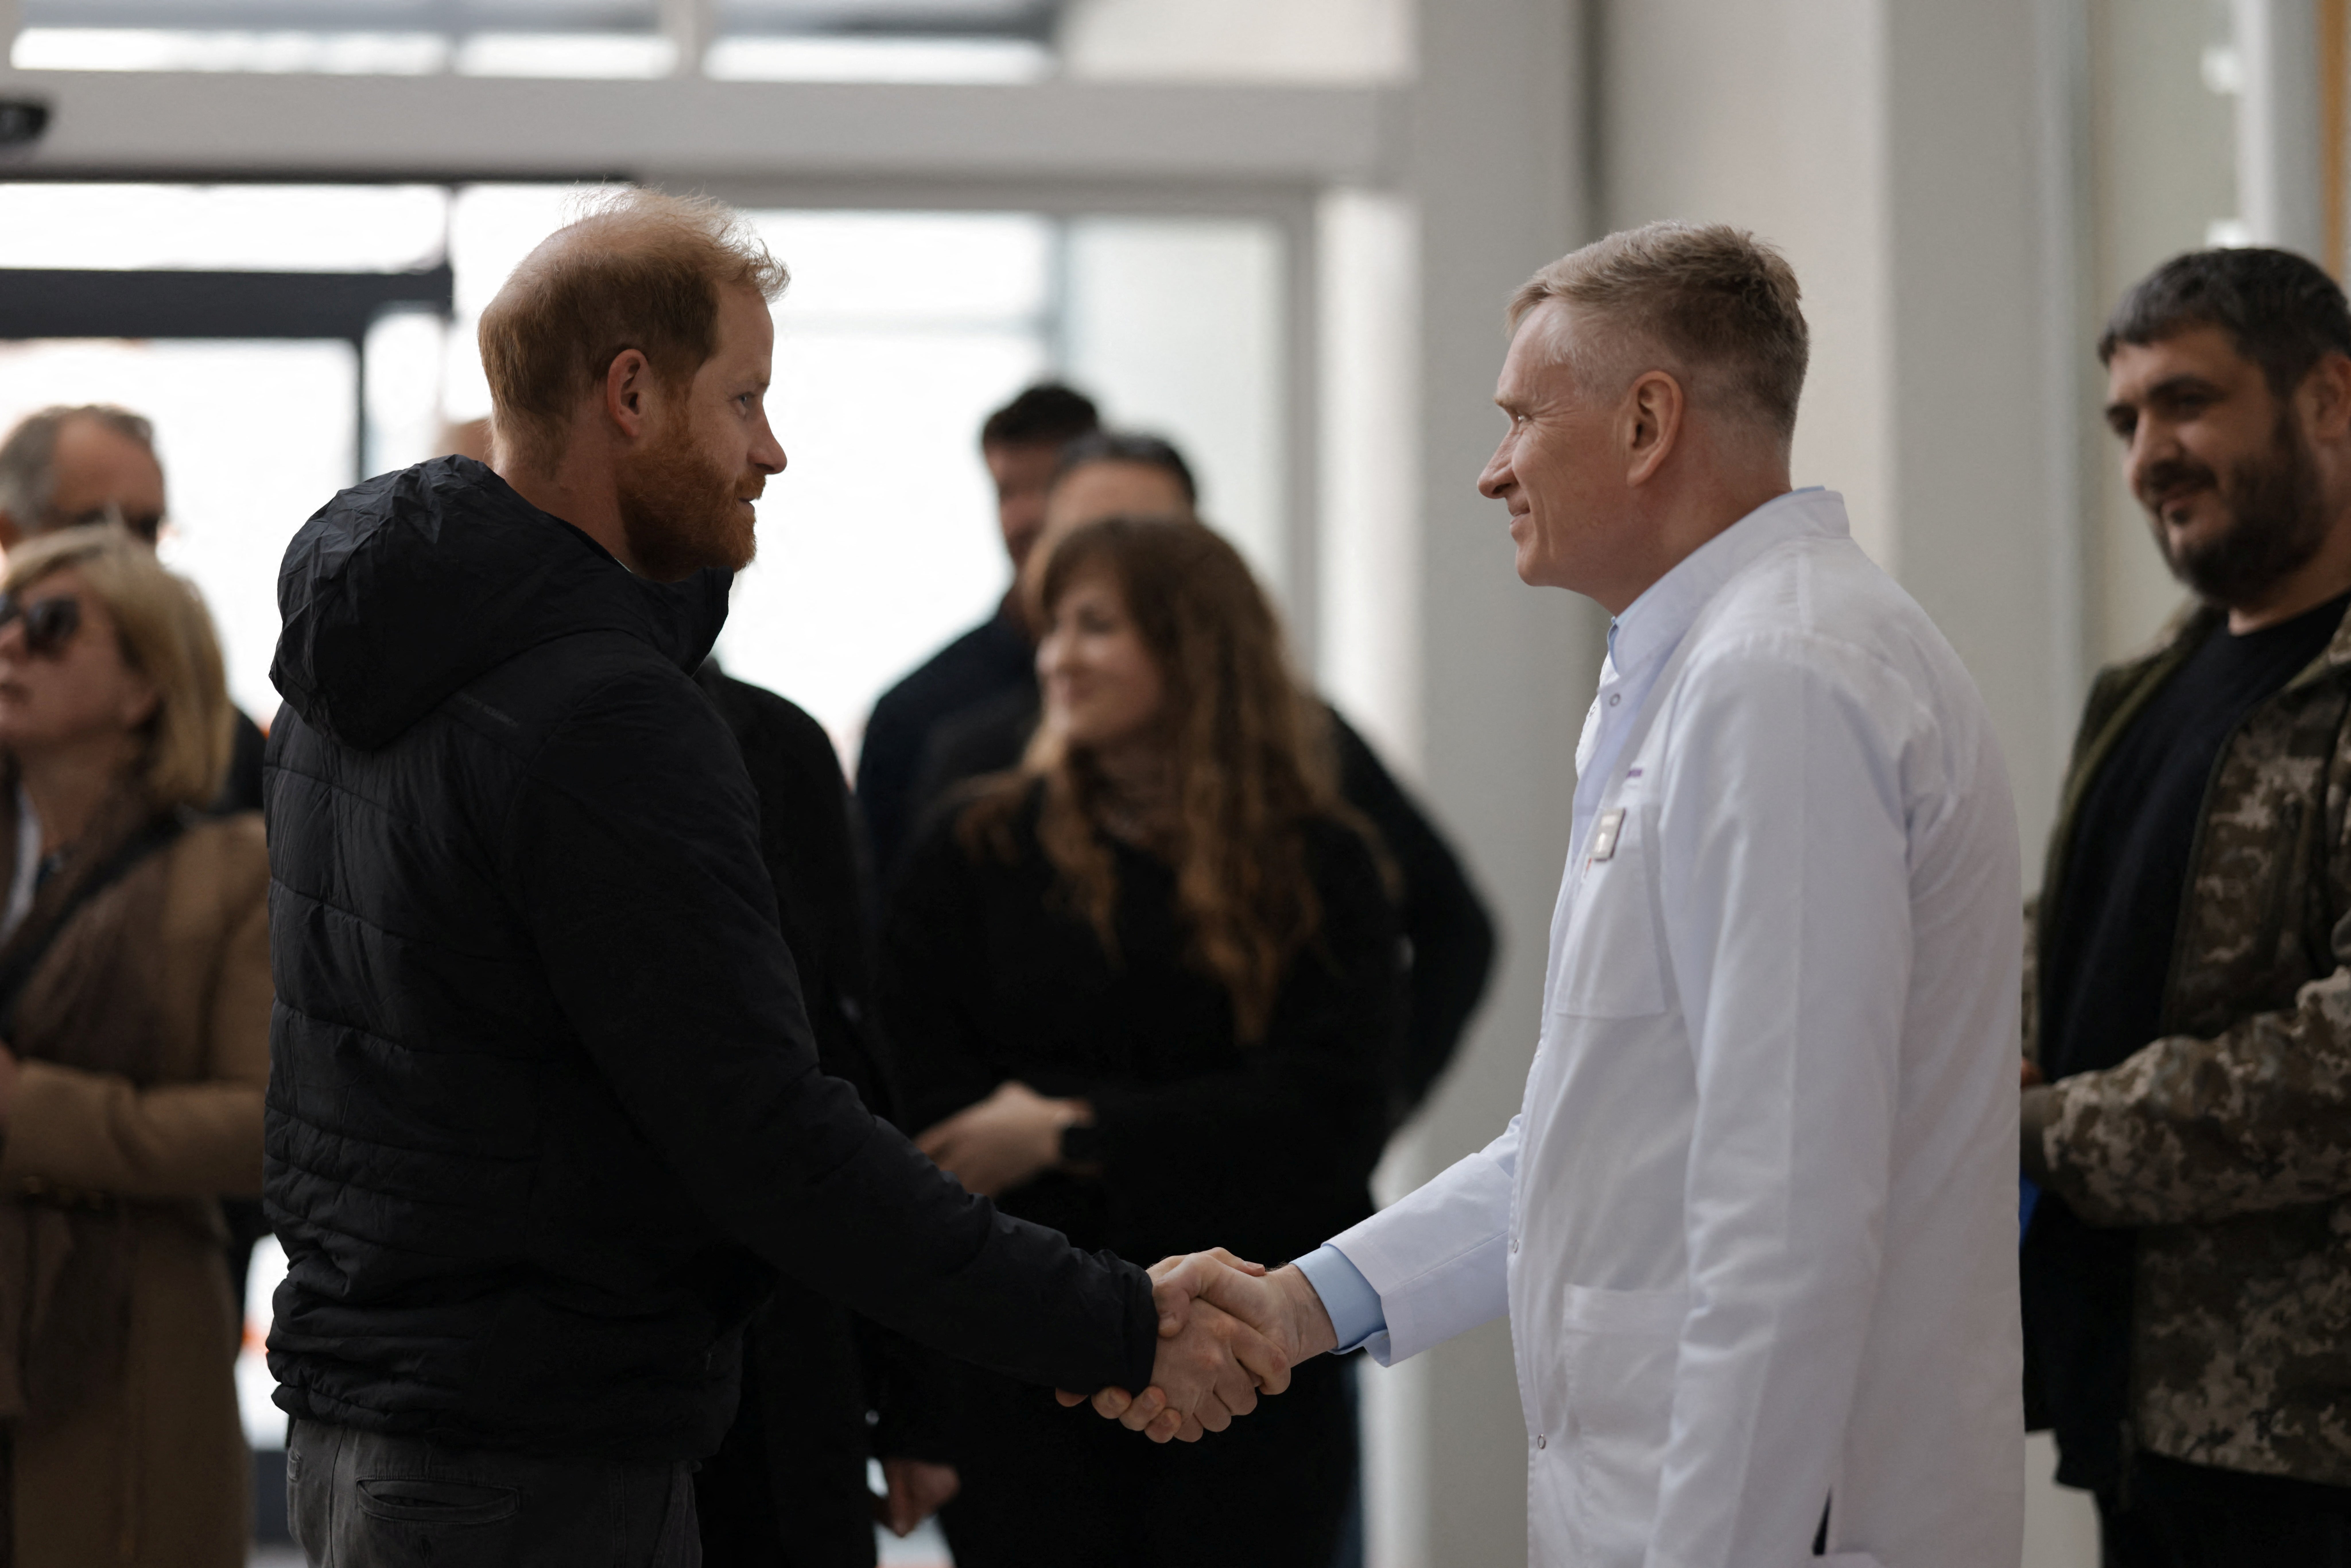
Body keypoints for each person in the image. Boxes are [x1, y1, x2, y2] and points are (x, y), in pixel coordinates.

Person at [262, 188, 1283, 1568]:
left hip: (381, 1424)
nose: (773, 449)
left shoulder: (354, 669)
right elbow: (768, 1130)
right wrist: (1113, 1319)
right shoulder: (607, 714)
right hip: (536, 1456)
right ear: (631, 394)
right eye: (742, 400)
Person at [1128, 222, 2026, 1568]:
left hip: (1772, 1522)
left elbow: (1785, 1213)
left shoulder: (1781, 679)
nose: (1494, 469)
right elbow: (1596, 1131)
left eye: (1520, 418)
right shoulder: (1702, 668)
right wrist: (1309, 1302)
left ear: (1647, 422)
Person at [886, 513, 1401, 1568]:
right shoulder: (974, 850)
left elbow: (1326, 1117)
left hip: (1252, 1368)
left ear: (1192, 644)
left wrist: (1070, 1129)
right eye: (1053, 628)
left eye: (1096, 626)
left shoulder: (1321, 864)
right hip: (1028, 1369)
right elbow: (931, 1136)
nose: (1056, 657)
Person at [2012, 247, 2351, 1562]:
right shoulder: (2148, 686)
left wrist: (2047, 1130)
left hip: (2309, 1446)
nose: (2150, 452)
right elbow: (2064, 956)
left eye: (2189, 403)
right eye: (2128, 419)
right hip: (2138, 1414)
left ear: (2327, 400)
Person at [913, 430, 1495, 1124]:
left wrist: (1373, 1105)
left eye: (1149, 535)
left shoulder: (1314, 783)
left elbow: (1441, 939)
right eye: (1087, 537)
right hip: (1032, 1226)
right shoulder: (973, 785)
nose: (1118, 554)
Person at [0, 524, 268, 1567]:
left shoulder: (230, 871)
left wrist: (32, 1112)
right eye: (7, 619)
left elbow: (264, 1124)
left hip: (128, 1360)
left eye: (54, 626)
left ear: (147, 686)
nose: (13, 645)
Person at [688, 654, 958, 1564]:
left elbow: (851, 1076)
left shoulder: (779, 747)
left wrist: (908, 1388)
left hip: (783, 1348)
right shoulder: (476, 720)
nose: (751, 499)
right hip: (555, 1373)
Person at [856, 383, 1100, 879]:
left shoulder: (1181, 696)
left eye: (1052, 487)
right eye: (1008, 491)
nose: (1026, 517)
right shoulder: (914, 716)